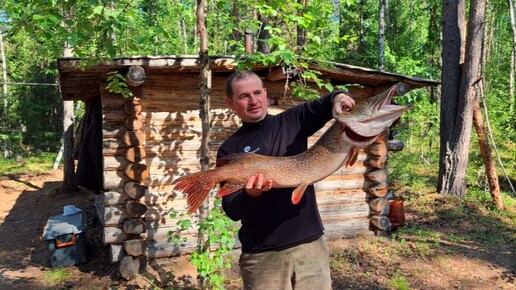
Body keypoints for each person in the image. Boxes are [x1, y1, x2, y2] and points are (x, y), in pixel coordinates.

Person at [217, 70, 355, 290]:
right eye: (244, 96)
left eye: (257, 92)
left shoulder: (292, 120)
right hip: (262, 257)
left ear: (265, 93)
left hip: (310, 248)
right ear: (230, 103)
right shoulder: (230, 149)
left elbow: (326, 102)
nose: (253, 101)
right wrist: (251, 194)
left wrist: (338, 97)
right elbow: (232, 210)